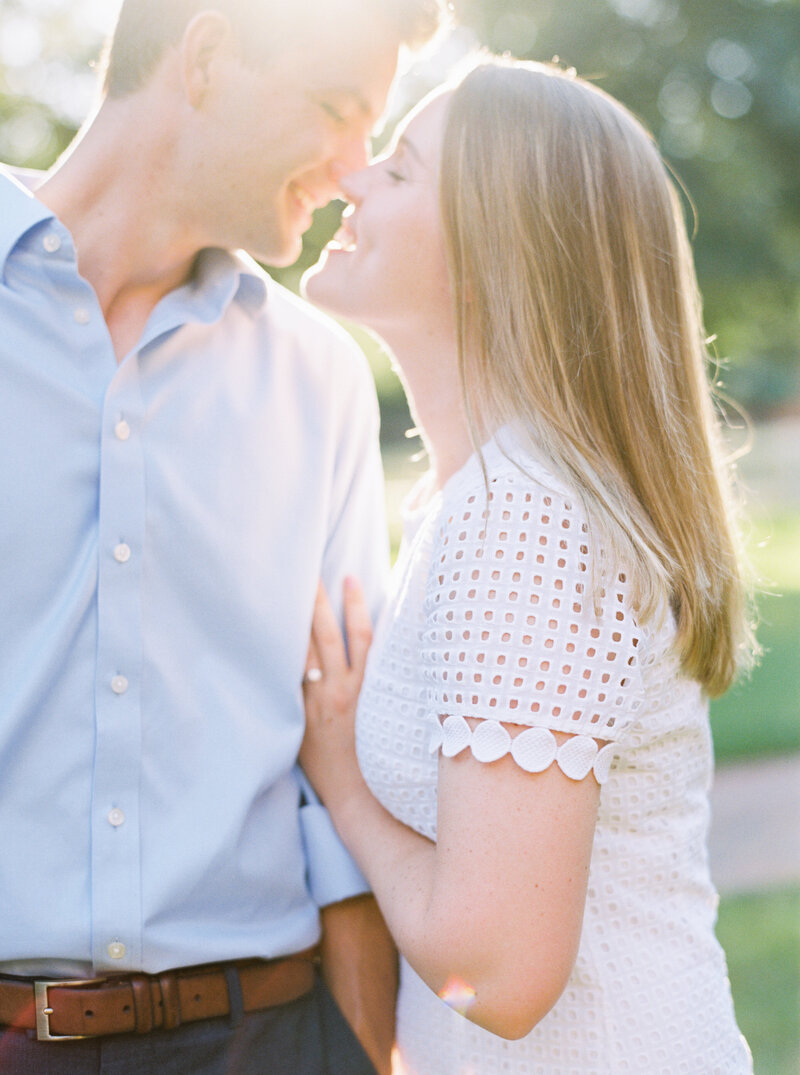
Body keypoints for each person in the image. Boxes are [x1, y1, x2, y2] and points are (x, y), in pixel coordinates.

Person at [0, 1, 443, 1072]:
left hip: (267, 1036)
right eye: (335, 111)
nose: (349, 170)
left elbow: (329, 764)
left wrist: (366, 1053)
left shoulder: (318, 378)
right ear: (204, 57)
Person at [299, 59, 757, 1074]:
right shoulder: (481, 500)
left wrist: (344, 788)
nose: (351, 181)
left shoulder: (529, 516)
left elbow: (499, 972)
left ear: (494, 251)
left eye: (402, 171)